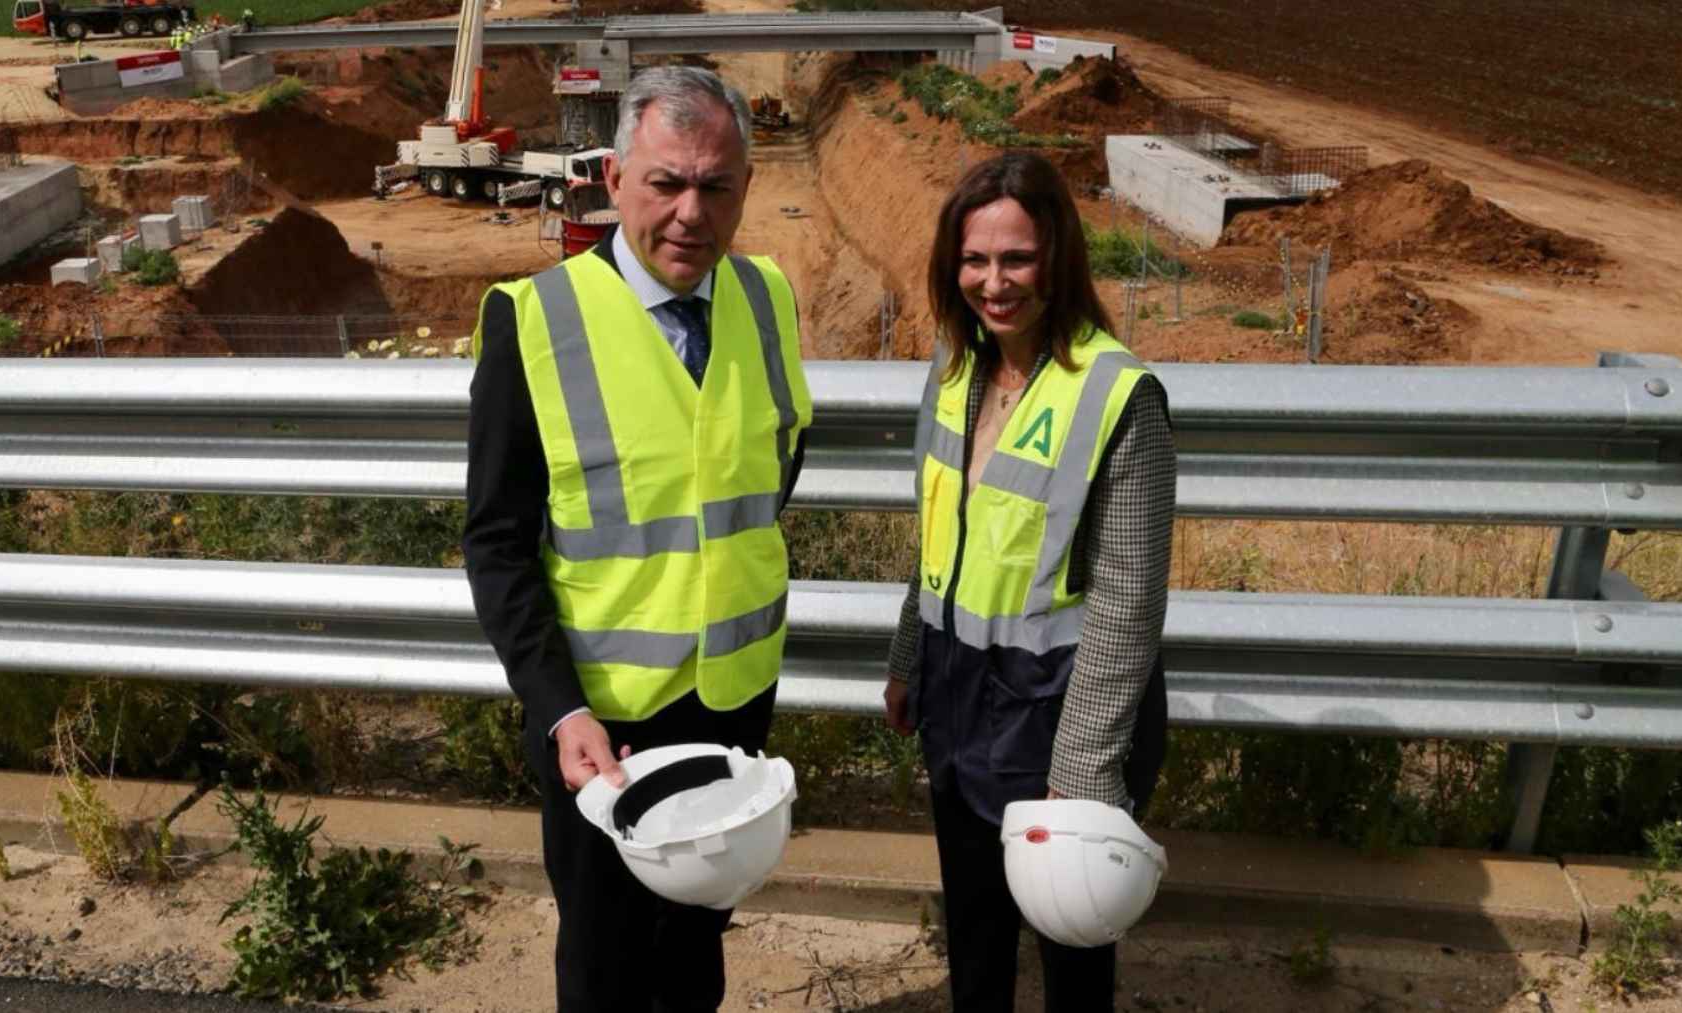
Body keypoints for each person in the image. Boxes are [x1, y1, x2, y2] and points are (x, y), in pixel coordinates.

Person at [462, 65, 811, 1013]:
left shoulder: (767, 298)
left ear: (745, 187)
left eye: (717, 186)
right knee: (608, 958)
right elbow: (496, 541)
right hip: (599, 723)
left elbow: (774, 467)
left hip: (731, 698)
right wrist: (556, 706)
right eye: (666, 183)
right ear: (613, 178)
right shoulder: (534, 321)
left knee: (698, 937)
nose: (691, 213)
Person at [883, 151, 1176, 1013]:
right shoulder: (953, 371)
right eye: (975, 260)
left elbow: (1129, 602)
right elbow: (943, 537)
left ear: (1059, 258)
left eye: (1017, 258)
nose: (994, 281)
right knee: (973, 934)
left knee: (1070, 942)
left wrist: (1084, 768)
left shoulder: (1118, 394)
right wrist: (909, 657)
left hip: (1061, 713)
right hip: (959, 699)